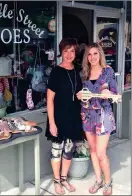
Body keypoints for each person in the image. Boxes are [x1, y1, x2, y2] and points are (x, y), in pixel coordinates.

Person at [77, 43, 118, 195]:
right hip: (87, 115)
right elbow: (84, 94)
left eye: (95, 53)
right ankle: (98, 180)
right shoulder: (84, 73)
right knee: (93, 150)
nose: (92, 57)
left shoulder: (108, 71)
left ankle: (108, 181)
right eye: (89, 54)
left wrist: (109, 93)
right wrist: (81, 95)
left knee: (101, 153)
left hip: (103, 115)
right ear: (86, 57)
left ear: (100, 54)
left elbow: (115, 93)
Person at [45, 38, 84, 195]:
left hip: (73, 116)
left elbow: (78, 93)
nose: (69, 54)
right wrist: (52, 123)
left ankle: (64, 178)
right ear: (61, 52)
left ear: (75, 53)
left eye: (72, 51)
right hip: (59, 117)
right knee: (57, 150)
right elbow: (49, 99)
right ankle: (56, 181)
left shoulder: (76, 71)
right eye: (66, 51)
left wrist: (82, 96)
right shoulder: (56, 71)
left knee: (68, 150)